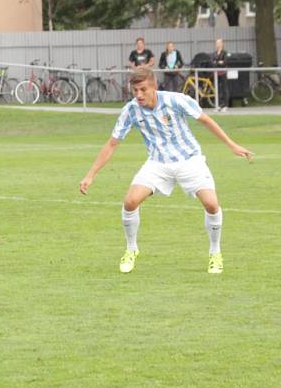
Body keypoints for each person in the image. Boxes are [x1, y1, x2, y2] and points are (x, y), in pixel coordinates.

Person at [79, 68, 252, 275]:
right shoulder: (131, 110)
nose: (139, 95)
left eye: (143, 89)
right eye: (135, 90)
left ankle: (215, 253)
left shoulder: (176, 100)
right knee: (130, 201)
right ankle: (131, 249)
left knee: (212, 205)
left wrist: (232, 145)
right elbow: (112, 144)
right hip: (157, 164)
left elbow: (206, 120)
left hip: (189, 160)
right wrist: (91, 175)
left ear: (154, 87)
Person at [213, 38, 229, 112]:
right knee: (217, 89)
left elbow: (225, 62)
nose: (218, 44)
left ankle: (225, 105)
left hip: (223, 73)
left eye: (219, 43)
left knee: (224, 88)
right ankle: (219, 105)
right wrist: (218, 62)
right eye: (217, 43)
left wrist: (219, 62)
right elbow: (213, 62)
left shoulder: (225, 52)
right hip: (217, 73)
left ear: (222, 44)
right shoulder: (215, 53)